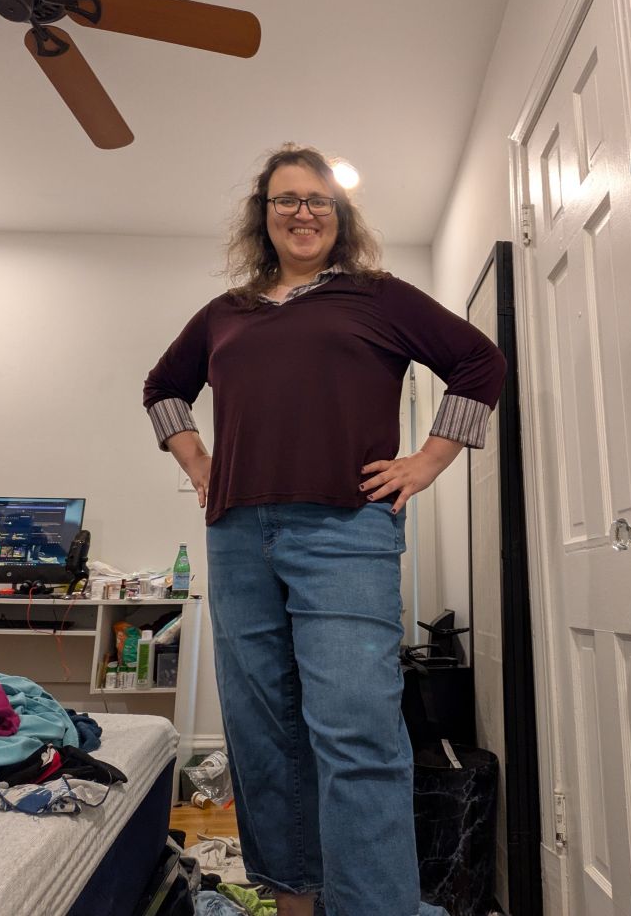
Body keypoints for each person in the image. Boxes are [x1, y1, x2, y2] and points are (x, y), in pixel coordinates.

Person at [143, 144, 506, 916]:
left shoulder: (378, 297)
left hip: (346, 535)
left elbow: (479, 364)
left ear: (337, 217)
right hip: (238, 538)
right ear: (263, 215)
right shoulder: (224, 315)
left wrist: (428, 462)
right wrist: (200, 460)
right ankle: (294, 904)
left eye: (317, 200)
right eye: (285, 200)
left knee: (356, 735)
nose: (301, 211)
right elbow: (161, 389)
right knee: (263, 739)